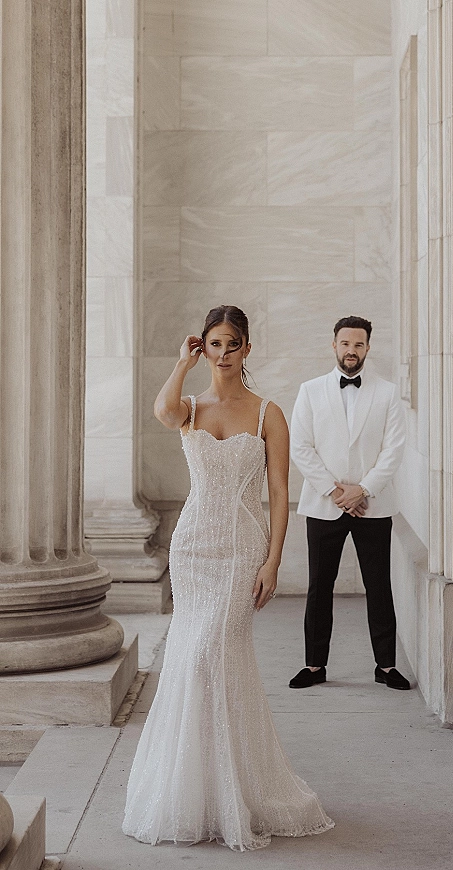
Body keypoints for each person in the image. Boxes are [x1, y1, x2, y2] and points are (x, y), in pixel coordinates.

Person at [123, 305, 334, 851]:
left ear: (246, 349)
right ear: (206, 348)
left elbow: (282, 491)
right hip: (193, 548)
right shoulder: (191, 408)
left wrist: (273, 559)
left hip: (242, 550)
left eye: (231, 345)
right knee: (193, 662)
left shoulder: (268, 414)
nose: (222, 354)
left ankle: (236, 788)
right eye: (213, 344)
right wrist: (180, 362)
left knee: (210, 658)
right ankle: (197, 793)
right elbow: (162, 410)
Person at [289, 316, 409, 691]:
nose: (351, 351)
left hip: (372, 505)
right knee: (319, 586)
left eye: (358, 344)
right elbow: (301, 446)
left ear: (368, 348)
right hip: (325, 504)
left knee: (379, 585)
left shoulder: (388, 393)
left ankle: (386, 666)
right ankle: (313, 666)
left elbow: (394, 449)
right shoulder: (310, 391)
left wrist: (364, 489)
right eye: (345, 344)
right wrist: (336, 492)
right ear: (334, 345)